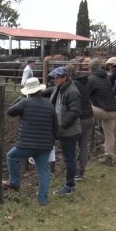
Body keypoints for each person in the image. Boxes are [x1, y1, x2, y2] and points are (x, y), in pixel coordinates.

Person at [3, 77, 58, 205]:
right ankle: (43, 199)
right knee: (44, 171)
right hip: (45, 144)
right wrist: (51, 141)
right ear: (40, 90)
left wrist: (20, 99)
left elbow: (10, 112)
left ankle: (14, 182)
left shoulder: (24, 103)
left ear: (28, 91)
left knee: (11, 156)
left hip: (26, 144)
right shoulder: (49, 105)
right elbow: (56, 126)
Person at [47, 67, 82, 195]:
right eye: (54, 77)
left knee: (69, 158)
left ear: (65, 77)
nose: (54, 80)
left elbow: (75, 112)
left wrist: (62, 126)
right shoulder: (60, 89)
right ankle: (69, 183)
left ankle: (69, 186)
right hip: (65, 131)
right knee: (69, 157)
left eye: (57, 77)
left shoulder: (71, 92)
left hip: (69, 132)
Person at [87, 60, 116, 166]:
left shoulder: (91, 79)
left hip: (104, 111)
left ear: (90, 69)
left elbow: (85, 94)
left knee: (83, 106)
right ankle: (108, 157)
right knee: (110, 135)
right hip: (114, 110)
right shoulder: (106, 78)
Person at [65, 64, 94, 180]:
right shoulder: (84, 82)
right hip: (89, 116)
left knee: (72, 145)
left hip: (79, 118)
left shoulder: (71, 85)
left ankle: (73, 171)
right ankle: (80, 172)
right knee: (83, 146)